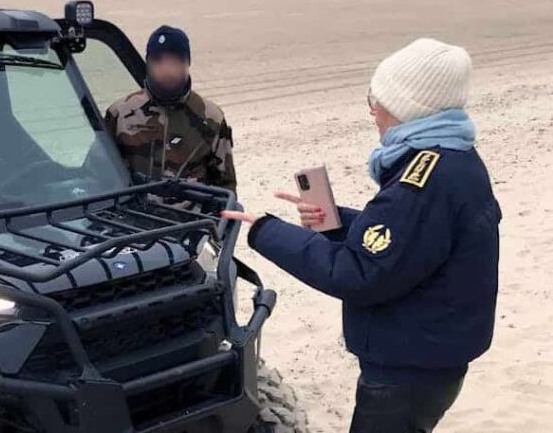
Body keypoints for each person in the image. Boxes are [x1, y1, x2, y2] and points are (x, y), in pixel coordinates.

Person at [221, 38, 500, 433]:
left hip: (408, 370)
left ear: (408, 107)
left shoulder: (424, 182)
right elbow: (407, 242)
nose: (373, 110)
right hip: (432, 357)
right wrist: (333, 221)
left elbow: (357, 273)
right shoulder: (456, 159)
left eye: (378, 98)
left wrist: (266, 230)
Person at [104, 25, 237, 192]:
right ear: (148, 63)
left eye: (173, 61)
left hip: (193, 216)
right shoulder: (120, 113)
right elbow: (98, 172)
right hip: (132, 212)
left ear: (186, 63)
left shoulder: (210, 117)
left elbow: (226, 185)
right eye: (158, 61)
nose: (165, 69)